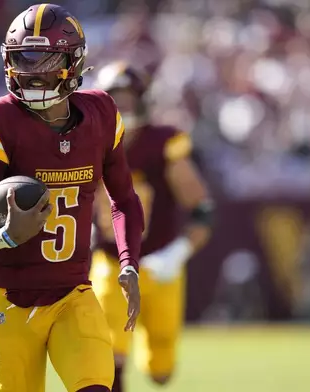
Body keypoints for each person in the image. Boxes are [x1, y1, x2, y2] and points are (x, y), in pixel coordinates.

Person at [0, 4, 144, 392]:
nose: (32, 69)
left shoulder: (103, 113)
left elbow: (124, 198)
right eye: (23, 57)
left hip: (72, 293)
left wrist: (129, 263)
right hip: (11, 299)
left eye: (46, 58)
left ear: (73, 61)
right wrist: (4, 235)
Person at [90, 62, 214, 391]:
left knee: (161, 371)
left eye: (128, 97)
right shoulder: (87, 142)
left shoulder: (164, 142)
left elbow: (201, 208)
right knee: (107, 353)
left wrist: (179, 252)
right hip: (111, 262)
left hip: (158, 265)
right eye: (115, 98)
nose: (122, 106)